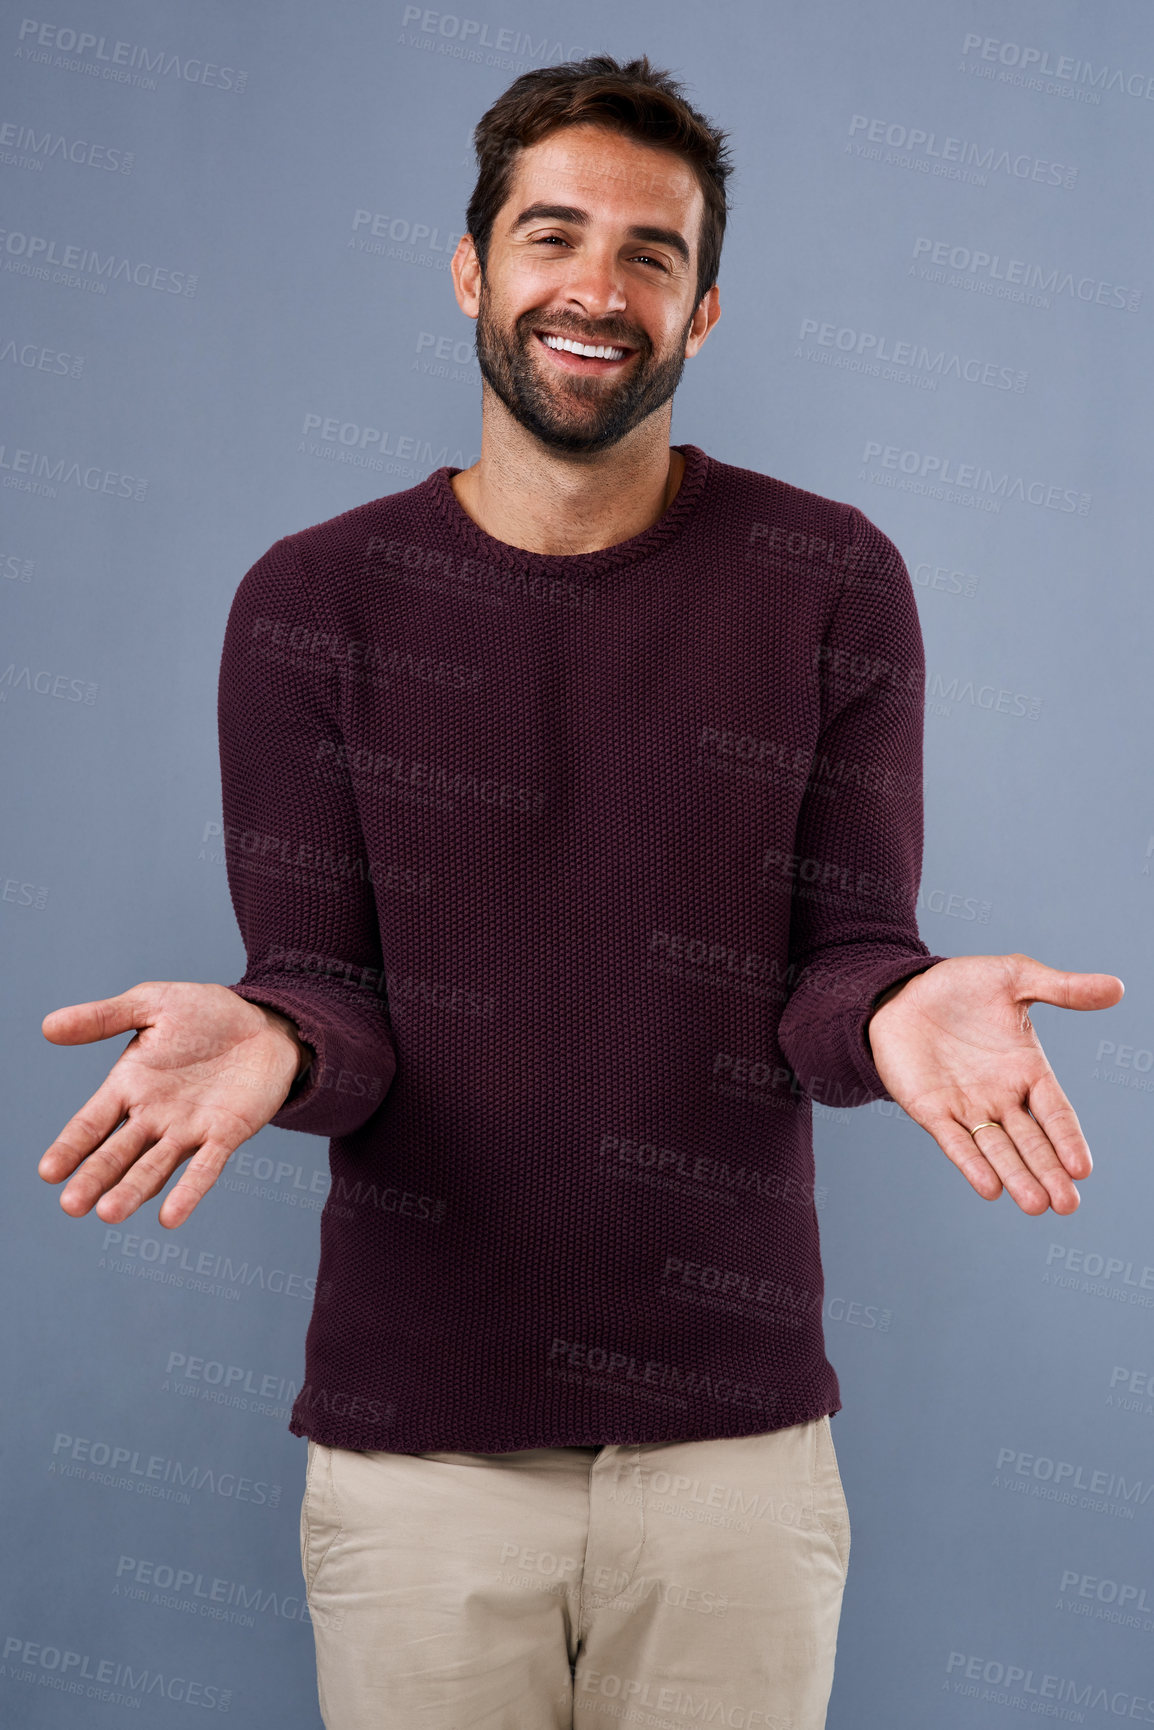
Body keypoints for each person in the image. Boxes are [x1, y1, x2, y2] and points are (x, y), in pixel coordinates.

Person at [38, 54, 1122, 1730]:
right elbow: (331, 996)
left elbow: (842, 963)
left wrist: (904, 1004)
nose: (596, 288)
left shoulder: (828, 578)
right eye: (553, 236)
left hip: (736, 1461)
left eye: (651, 254)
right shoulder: (314, 602)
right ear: (472, 268)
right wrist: (268, 1033)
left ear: (699, 315)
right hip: (420, 1462)